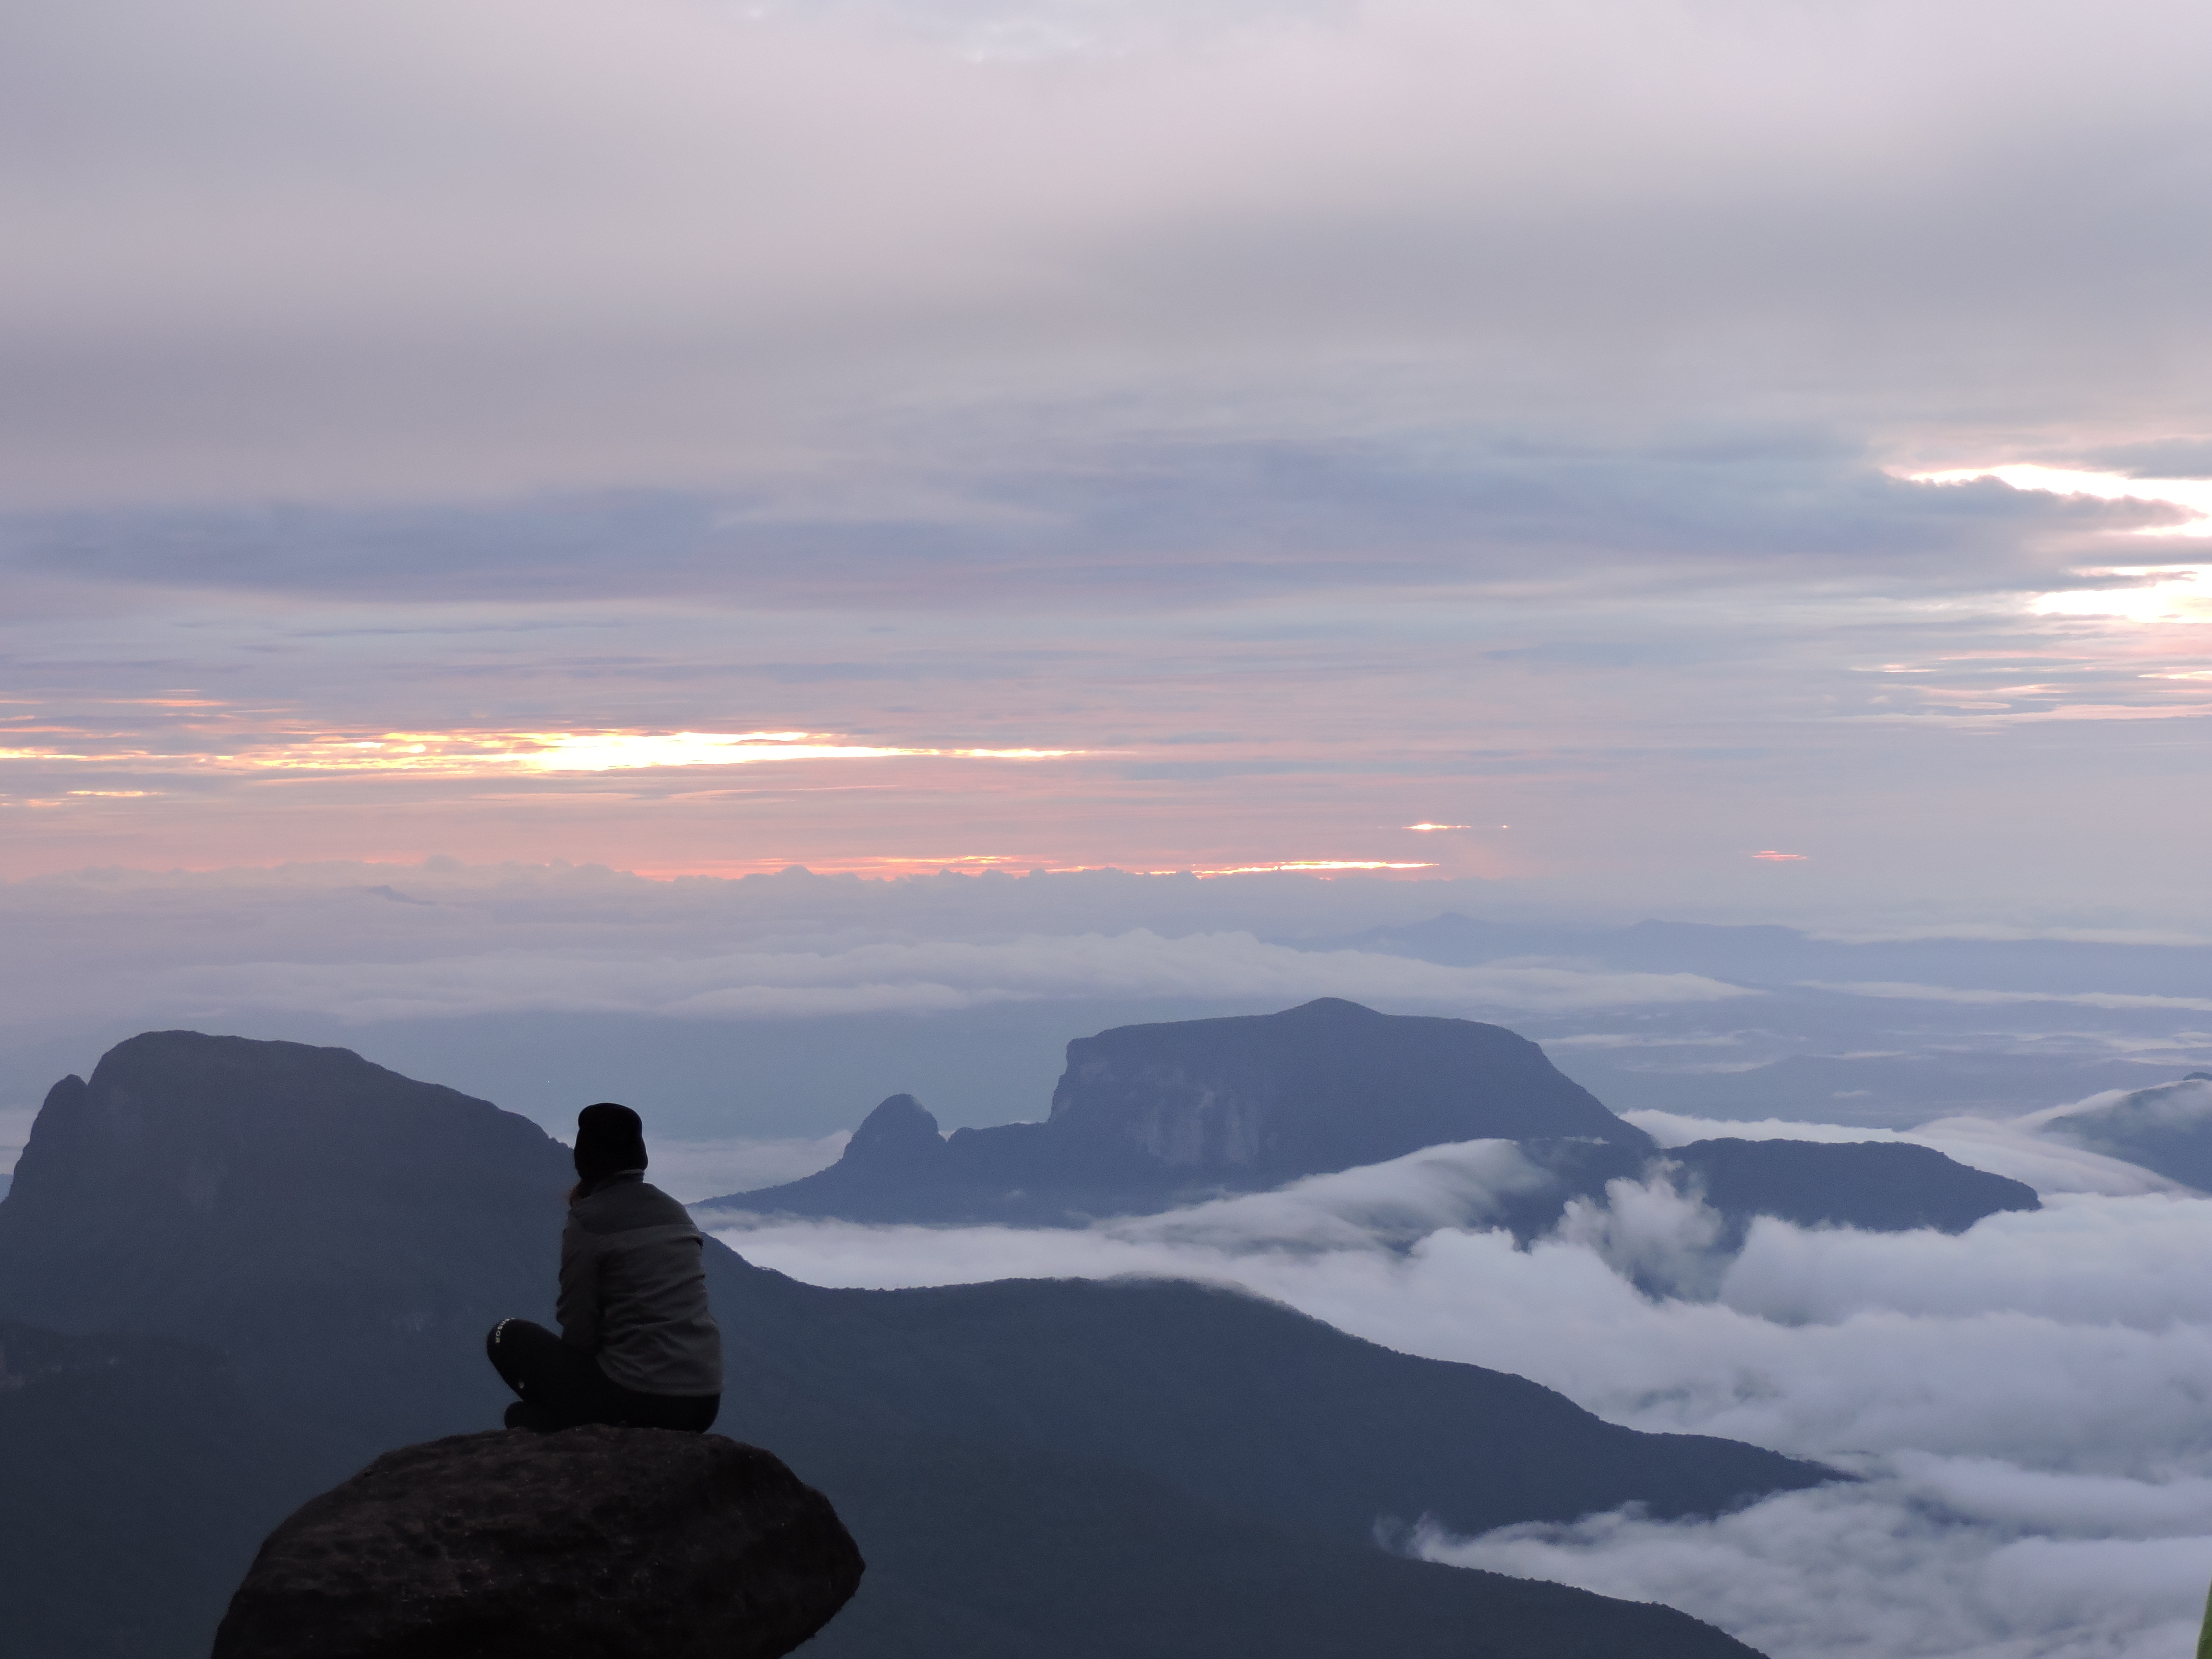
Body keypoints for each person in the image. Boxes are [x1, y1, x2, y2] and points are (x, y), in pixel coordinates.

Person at [487, 1102, 723, 1432]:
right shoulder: (675, 1212)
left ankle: (561, 1425)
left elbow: (579, 1329)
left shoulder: (589, 1220)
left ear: (584, 1159)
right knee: (525, 1416)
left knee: (504, 1336)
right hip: (703, 1401)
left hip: (641, 1397)